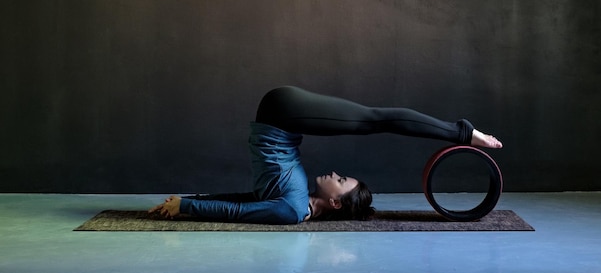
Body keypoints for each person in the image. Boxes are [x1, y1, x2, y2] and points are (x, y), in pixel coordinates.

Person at [148, 86, 502, 224]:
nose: (335, 174)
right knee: (373, 118)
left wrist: (186, 203)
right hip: (282, 116)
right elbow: (245, 204)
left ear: (336, 204)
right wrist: (186, 204)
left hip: (280, 113)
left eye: (342, 181)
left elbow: (239, 207)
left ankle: (463, 132)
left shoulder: (290, 209)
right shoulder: (293, 204)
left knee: (375, 118)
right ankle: (463, 132)